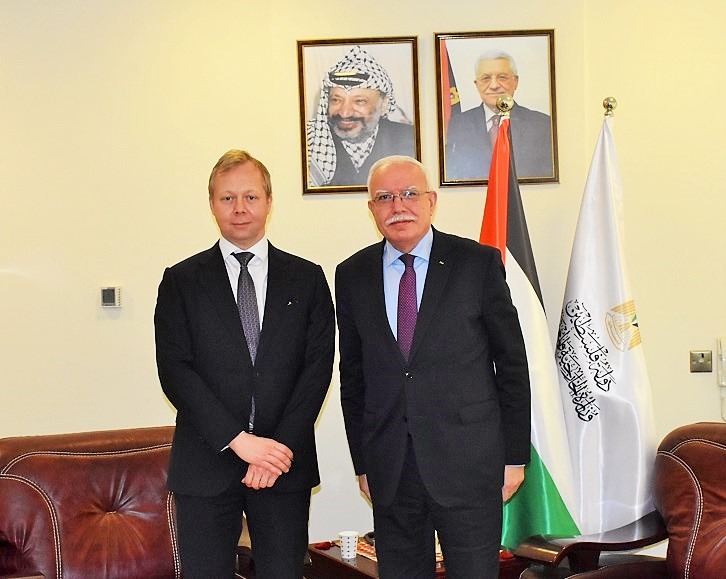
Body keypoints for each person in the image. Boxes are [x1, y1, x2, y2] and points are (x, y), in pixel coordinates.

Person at [336, 155, 531, 578]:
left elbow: (512, 364)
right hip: (391, 468)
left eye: (409, 194)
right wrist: (362, 463)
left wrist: (515, 458)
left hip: (470, 465)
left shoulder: (476, 263)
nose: (398, 206)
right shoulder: (352, 275)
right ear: (371, 209)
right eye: (385, 197)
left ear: (431, 201)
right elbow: (353, 376)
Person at [154, 150, 335, 578]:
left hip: (283, 464)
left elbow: (317, 371)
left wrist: (274, 451)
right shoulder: (181, 280)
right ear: (212, 204)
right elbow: (176, 372)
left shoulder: (307, 278)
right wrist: (239, 441)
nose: (239, 208)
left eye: (250, 197)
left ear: (269, 201)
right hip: (206, 462)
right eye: (227, 198)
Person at [306, 45, 416, 188]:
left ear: (383, 105)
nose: (344, 113)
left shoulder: (411, 139)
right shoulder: (310, 141)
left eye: (359, 101)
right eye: (336, 100)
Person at [445, 49, 553, 181]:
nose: (494, 85)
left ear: (516, 82)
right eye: (486, 78)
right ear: (477, 84)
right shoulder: (458, 125)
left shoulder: (542, 125)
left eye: (502, 77)